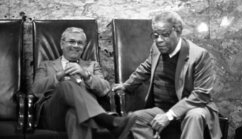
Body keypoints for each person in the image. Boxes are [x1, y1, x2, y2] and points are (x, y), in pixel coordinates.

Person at [113, 11, 222, 139]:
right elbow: (146, 68)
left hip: (191, 107)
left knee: (194, 116)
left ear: (178, 31)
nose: (159, 40)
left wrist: (170, 115)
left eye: (165, 35)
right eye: (155, 35)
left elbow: (201, 94)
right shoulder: (156, 48)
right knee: (134, 119)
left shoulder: (199, 55)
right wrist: (126, 86)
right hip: (161, 108)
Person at [32, 27, 136, 139]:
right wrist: (59, 76)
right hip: (53, 114)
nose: (76, 45)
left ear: (84, 47)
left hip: (84, 114)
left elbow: (105, 89)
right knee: (67, 84)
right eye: (71, 41)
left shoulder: (92, 65)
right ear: (62, 44)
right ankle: (106, 120)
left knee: (75, 115)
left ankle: (105, 120)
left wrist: (85, 75)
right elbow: (36, 90)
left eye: (80, 43)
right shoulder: (46, 65)